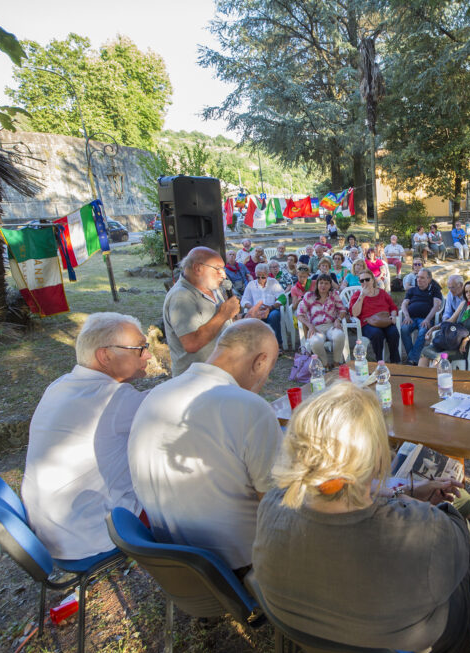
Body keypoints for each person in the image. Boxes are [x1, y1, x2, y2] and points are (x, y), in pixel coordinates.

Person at [253, 382, 470, 653]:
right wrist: (407, 505)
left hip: (325, 647)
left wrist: (400, 494)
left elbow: (334, 496)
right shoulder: (425, 533)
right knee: (466, 586)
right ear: (377, 459)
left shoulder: (272, 507)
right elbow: (459, 538)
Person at [129, 319, 282, 575]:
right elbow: (276, 506)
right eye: (271, 366)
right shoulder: (250, 407)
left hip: (171, 564)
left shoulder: (154, 396)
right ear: (260, 361)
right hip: (240, 566)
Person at [21, 312, 151, 561]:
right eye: (140, 349)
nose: (147, 355)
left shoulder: (60, 384)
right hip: (90, 535)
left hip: (51, 532)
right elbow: (174, 409)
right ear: (105, 356)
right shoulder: (115, 397)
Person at [163, 246, 243, 376]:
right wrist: (223, 314)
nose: (223, 274)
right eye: (217, 269)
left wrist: (247, 317)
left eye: (223, 268)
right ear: (197, 268)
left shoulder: (212, 288)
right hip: (195, 380)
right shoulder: (181, 297)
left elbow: (222, 325)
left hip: (218, 373)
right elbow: (191, 344)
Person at [420, 280, 470, 367]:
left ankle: (433, 379)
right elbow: (451, 320)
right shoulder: (464, 304)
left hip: (466, 346)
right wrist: (434, 328)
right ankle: (419, 379)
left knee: (439, 358)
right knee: (425, 351)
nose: (468, 294)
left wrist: (467, 339)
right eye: (466, 292)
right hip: (451, 340)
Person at [296, 273, 348, 368]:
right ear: (317, 284)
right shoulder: (309, 296)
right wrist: (309, 326)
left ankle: (336, 362)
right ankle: (325, 364)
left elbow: (342, 309)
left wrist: (338, 319)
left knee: (339, 335)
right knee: (315, 341)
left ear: (330, 285)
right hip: (316, 327)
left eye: (326, 283)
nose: (323, 285)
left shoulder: (333, 294)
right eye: (321, 283)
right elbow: (300, 314)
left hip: (331, 325)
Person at [349, 271, 400, 361]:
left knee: (394, 333)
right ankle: (379, 360)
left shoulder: (382, 293)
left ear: (373, 280)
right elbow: (355, 313)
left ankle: (394, 360)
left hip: (385, 320)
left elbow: (393, 307)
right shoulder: (357, 295)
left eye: (367, 279)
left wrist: (393, 316)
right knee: (377, 334)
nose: (365, 282)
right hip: (368, 323)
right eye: (362, 281)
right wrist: (362, 296)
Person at [400, 268, 444, 365]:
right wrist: (406, 316)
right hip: (410, 318)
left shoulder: (435, 290)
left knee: (423, 331)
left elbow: (436, 306)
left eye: (422, 278)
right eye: (418, 277)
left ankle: (412, 359)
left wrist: (428, 319)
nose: (419, 280)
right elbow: (404, 304)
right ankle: (414, 357)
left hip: (425, 319)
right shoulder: (412, 290)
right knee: (404, 329)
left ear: (429, 279)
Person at [241, 263, 285, 345]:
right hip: (257, 311)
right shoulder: (251, 285)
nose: (260, 279)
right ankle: (259, 346)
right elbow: (244, 300)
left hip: (272, 309)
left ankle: (277, 345)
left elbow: (282, 297)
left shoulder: (273, 282)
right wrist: (254, 307)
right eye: (258, 277)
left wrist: (271, 307)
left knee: (274, 316)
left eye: (263, 277)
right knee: (253, 318)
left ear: (267, 275)